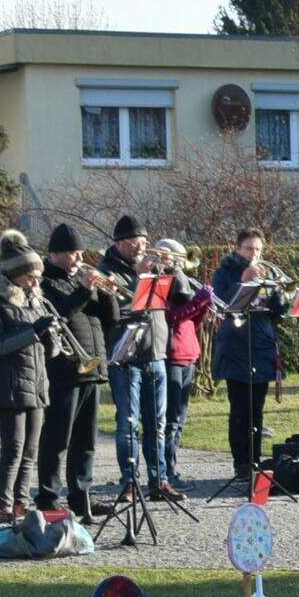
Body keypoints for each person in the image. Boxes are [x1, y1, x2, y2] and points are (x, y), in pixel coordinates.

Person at [101, 214, 197, 502]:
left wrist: (174, 268)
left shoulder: (155, 267)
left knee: (157, 422)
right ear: (121, 243)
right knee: (128, 422)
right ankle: (130, 482)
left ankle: (160, 481)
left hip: (156, 353)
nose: (143, 246)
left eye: (145, 241)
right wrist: (140, 277)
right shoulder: (108, 271)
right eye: (136, 242)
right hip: (127, 357)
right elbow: (117, 309)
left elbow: (184, 296)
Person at [35, 222, 118, 517]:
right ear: (54, 254)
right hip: (64, 370)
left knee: (86, 441)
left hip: (92, 367)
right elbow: (63, 314)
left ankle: (81, 496)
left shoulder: (80, 279)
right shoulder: (45, 282)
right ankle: (48, 498)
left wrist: (106, 293)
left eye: (81, 253)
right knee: (58, 438)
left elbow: (110, 320)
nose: (79, 259)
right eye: (72, 253)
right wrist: (85, 289)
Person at [0, 230, 53, 523]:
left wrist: (51, 338)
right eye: (31, 276)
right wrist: (33, 333)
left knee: (31, 452)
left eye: (37, 277)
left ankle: (22, 504)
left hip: (34, 384)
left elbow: (44, 350)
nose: (36, 282)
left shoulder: (34, 300)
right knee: (13, 451)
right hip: (7, 387)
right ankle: (3, 509)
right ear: (13, 275)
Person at [210, 226, 289, 484]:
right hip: (235, 348)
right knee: (240, 409)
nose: (253, 254)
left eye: (258, 249)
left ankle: (256, 460)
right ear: (237, 249)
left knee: (258, 410)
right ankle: (241, 465)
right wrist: (243, 280)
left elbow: (279, 313)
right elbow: (222, 304)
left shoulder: (267, 272)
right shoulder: (225, 273)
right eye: (248, 249)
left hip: (263, 347)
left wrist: (278, 292)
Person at [157, 237, 213, 491]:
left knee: (180, 418)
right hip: (171, 356)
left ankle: (172, 468)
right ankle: (166, 471)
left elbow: (191, 322)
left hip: (188, 354)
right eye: (173, 258)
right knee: (170, 419)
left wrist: (203, 306)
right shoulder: (162, 284)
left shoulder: (182, 282)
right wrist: (197, 303)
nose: (178, 264)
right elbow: (171, 318)